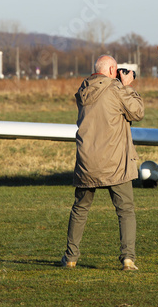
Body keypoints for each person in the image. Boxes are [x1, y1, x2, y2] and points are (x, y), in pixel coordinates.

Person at [61, 55, 144, 271]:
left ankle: (70, 258)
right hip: (115, 163)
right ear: (112, 70)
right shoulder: (116, 90)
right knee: (125, 210)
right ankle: (128, 259)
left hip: (86, 163)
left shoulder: (83, 90)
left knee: (80, 210)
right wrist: (127, 86)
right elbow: (137, 112)